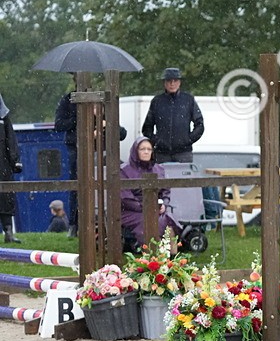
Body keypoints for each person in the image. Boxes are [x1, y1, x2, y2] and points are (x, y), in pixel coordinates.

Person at [55, 86, 129, 237]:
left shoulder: (106, 116)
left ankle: (110, 220)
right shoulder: (68, 101)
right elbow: (59, 125)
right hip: (79, 153)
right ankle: (75, 224)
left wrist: (106, 124)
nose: (96, 108)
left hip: (103, 155)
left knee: (108, 185)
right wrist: (84, 125)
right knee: (77, 186)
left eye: (98, 106)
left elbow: (122, 133)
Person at [120, 137, 182, 250]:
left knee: (168, 220)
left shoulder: (159, 169)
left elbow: (165, 191)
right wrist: (147, 208)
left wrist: (164, 204)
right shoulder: (124, 170)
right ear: (135, 151)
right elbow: (125, 198)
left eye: (149, 149)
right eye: (142, 149)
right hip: (131, 211)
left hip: (156, 208)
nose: (146, 151)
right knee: (148, 223)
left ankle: (172, 258)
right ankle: (153, 257)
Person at [141, 67, 204, 162]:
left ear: (180, 82)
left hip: (183, 154)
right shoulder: (157, 101)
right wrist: (157, 141)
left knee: (183, 176)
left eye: (175, 80)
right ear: (164, 83)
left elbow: (199, 124)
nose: (172, 83)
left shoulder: (188, 100)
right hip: (161, 154)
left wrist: (188, 140)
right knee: (161, 176)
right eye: (169, 81)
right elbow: (147, 128)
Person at [0, 92, 23, 243]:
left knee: (6, 197)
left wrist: (15, 161)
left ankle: (8, 232)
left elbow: (11, 140)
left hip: (2, 163)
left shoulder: (3, 118)